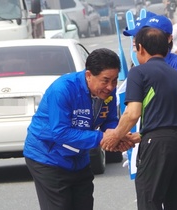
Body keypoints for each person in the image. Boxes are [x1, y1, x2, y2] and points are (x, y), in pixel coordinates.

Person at [23, 48, 136, 210]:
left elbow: (109, 121)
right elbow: (60, 132)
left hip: (79, 158)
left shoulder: (108, 94)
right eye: (105, 80)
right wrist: (102, 138)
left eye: (114, 80)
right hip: (47, 157)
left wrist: (118, 137)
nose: (110, 86)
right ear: (89, 75)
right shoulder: (63, 89)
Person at [101, 27, 177, 210]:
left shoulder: (139, 72)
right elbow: (169, 119)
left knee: (149, 200)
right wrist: (139, 136)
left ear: (141, 48)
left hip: (157, 146)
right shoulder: (176, 75)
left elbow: (132, 113)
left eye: (135, 48)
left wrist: (115, 136)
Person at [123, 12, 177, 140]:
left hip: (171, 135)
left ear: (168, 39)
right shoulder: (138, 67)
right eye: (136, 36)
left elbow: (174, 104)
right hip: (149, 135)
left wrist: (115, 136)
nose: (136, 40)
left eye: (143, 36)